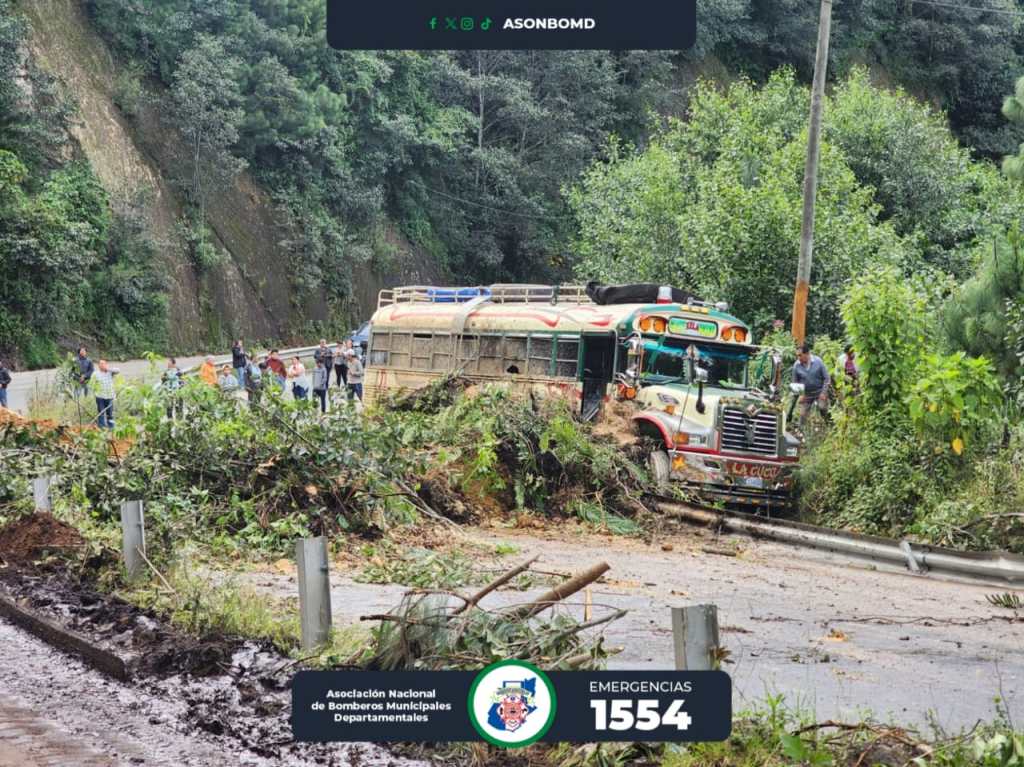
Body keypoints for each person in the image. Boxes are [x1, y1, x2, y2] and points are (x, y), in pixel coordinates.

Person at [792, 344, 830, 427]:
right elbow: (795, 383)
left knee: (822, 408)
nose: (798, 358)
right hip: (806, 394)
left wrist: (823, 392)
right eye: (797, 356)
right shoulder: (796, 365)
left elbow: (827, 378)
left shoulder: (818, 362)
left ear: (807, 354)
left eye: (800, 355)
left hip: (819, 392)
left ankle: (829, 424)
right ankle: (801, 433)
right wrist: (800, 395)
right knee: (802, 415)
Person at [92, 359, 120, 429]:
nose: (102, 365)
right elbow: (92, 384)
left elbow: (118, 370)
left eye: (103, 363)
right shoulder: (95, 373)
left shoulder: (110, 372)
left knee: (110, 413)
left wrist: (107, 369)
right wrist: (95, 392)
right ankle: (102, 428)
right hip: (100, 396)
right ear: (98, 366)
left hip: (110, 396)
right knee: (101, 413)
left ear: (106, 364)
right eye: (100, 364)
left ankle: (111, 428)